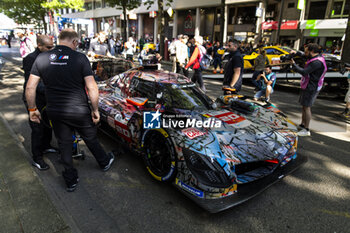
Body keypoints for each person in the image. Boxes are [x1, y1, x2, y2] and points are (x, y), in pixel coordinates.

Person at [26, 29, 115, 192]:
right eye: (77, 43)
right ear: (74, 42)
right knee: (90, 137)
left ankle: (70, 179)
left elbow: (30, 87)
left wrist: (33, 109)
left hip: (55, 110)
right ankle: (103, 161)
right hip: (78, 110)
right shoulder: (80, 58)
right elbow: (92, 87)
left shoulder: (42, 57)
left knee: (64, 142)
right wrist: (95, 109)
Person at [23, 35, 57, 170]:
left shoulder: (50, 57)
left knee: (48, 124)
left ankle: (46, 146)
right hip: (34, 98)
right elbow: (31, 85)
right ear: (39, 46)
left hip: (46, 97)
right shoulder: (30, 59)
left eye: (52, 46)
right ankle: (37, 157)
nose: (51, 49)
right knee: (37, 128)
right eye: (48, 47)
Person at [291, 43, 327, 136]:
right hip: (308, 84)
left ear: (312, 51)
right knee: (304, 106)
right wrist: (297, 53)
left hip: (312, 86)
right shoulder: (316, 57)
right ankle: (302, 125)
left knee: (307, 107)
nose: (305, 53)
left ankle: (306, 129)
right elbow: (304, 56)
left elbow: (304, 72)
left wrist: (294, 64)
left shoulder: (317, 62)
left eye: (307, 51)